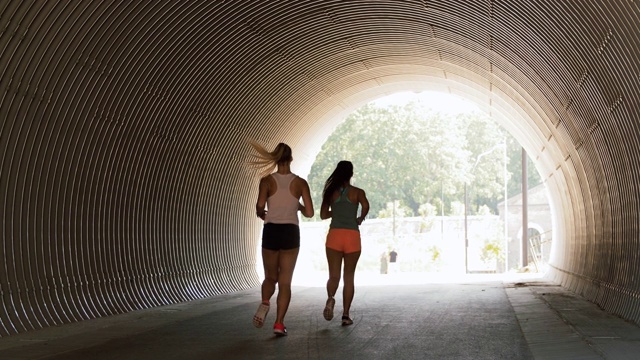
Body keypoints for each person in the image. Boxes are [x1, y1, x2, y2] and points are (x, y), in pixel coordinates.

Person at [249, 141, 314, 336]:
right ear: (291, 158)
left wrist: (263, 214)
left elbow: (260, 206)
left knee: (270, 277)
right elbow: (310, 212)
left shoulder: (267, 181)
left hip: (271, 230)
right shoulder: (300, 183)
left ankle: (265, 302)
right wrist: (298, 206)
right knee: (285, 282)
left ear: (276, 159)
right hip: (290, 232)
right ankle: (279, 323)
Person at [320, 160, 369, 326]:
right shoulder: (358, 192)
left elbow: (323, 215)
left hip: (334, 236)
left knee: (334, 275)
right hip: (352, 237)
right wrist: (359, 218)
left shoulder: (330, 193)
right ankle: (346, 315)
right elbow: (366, 206)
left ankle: (330, 298)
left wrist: (338, 211)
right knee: (349, 278)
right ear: (351, 174)